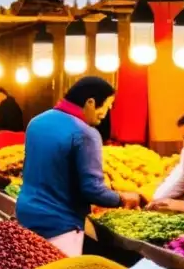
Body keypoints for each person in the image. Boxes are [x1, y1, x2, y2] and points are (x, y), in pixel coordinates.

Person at [16, 76, 140, 255]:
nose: (106, 112)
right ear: (91, 102)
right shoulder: (85, 133)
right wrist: (123, 198)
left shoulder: (37, 122)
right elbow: (92, 190)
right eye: (107, 105)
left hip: (26, 214)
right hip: (60, 225)